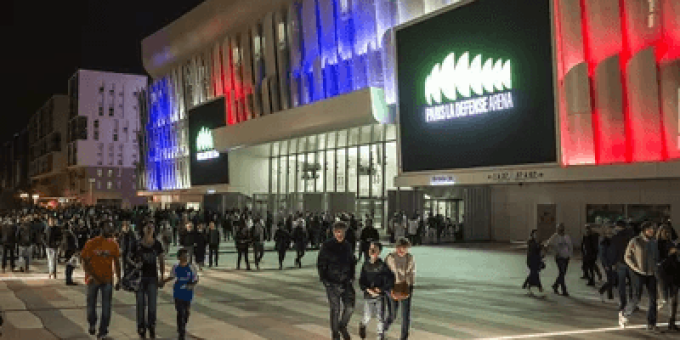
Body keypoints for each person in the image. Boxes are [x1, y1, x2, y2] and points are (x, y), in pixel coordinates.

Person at [80, 221, 122, 340]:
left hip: (107, 280)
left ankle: (103, 331)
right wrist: (91, 275)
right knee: (91, 305)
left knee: (107, 307)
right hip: (93, 280)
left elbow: (117, 262)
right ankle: (92, 323)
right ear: (102, 229)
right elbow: (84, 261)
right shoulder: (92, 243)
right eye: (108, 228)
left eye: (111, 228)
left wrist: (118, 278)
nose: (110, 230)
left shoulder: (114, 244)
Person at [317, 221, 356, 340]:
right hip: (332, 282)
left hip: (346, 281)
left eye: (342, 232)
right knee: (335, 309)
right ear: (334, 232)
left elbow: (351, 262)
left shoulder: (347, 246)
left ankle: (342, 325)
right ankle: (335, 333)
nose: (340, 234)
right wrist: (324, 279)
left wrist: (351, 276)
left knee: (349, 307)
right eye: (338, 232)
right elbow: (321, 263)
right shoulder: (327, 246)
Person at [623, 221, 660, 331]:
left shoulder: (654, 242)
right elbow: (627, 256)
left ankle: (651, 323)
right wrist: (635, 267)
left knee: (653, 299)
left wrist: (656, 266)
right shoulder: (635, 241)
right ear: (644, 230)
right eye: (650, 229)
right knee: (636, 297)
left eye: (653, 229)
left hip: (651, 274)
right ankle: (625, 313)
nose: (652, 231)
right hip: (639, 273)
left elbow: (656, 256)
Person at [131, 222, 165, 339]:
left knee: (152, 305)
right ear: (143, 229)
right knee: (140, 305)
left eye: (152, 227)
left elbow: (161, 260)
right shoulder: (137, 244)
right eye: (147, 227)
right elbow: (129, 258)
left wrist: (162, 277)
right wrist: (135, 264)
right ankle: (141, 327)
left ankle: (151, 326)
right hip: (139, 279)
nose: (150, 229)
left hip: (152, 278)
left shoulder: (157, 245)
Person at [358, 241, 395, 340]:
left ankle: (380, 336)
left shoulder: (383, 266)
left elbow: (390, 280)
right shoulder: (365, 265)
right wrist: (367, 289)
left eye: (375, 249)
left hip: (380, 296)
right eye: (371, 249)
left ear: (379, 251)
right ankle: (362, 325)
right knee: (367, 316)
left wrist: (381, 289)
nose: (372, 251)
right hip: (368, 296)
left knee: (380, 318)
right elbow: (361, 281)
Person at [163, 248, 199, 340]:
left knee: (186, 312)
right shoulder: (176, 267)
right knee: (180, 312)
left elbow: (195, 279)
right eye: (183, 256)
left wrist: (192, 285)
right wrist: (163, 281)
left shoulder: (192, 267)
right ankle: (181, 330)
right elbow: (172, 276)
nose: (185, 257)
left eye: (186, 255)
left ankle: (183, 325)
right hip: (178, 292)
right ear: (179, 257)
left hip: (188, 293)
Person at [384, 238, 416, 340]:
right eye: (399, 248)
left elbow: (412, 273)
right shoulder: (390, 258)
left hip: (405, 287)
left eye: (404, 248)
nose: (401, 250)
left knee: (405, 315)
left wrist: (410, 287)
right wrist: (389, 290)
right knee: (393, 315)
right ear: (396, 248)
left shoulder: (410, 258)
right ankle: (383, 328)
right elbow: (385, 275)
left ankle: (404, 337)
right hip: (391, 288)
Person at [656, 225, 680, 331]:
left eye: (668, 233)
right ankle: (653, 322)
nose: (666, 234)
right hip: (663, 274)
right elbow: (657, 259)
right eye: (664, 232)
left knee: (674, 300)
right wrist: (668, 254)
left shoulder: (673, 243)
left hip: (675, 274)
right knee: (663, 299)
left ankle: (672, 322)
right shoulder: (657, 244)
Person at [544, 223, 573, 296]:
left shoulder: (567, 237)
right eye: (559, 228)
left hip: (566, 257)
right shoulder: (555, 237)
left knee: (562, 273)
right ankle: (564, 290)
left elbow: (570, 246)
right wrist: (550, 251)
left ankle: (555, 285)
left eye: (562, 228)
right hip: (559, 257)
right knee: (562, 272)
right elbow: (548, 244)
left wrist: (569, 255)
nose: (561, 230)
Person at [523, 229, 545, 296]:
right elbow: (533, 250)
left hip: (537, 260)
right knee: (535, 273)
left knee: (533, 273)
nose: (536, 235)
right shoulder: (531, 242)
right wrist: (540, 246)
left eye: (537, 234)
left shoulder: (538, 242)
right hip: (531, 260)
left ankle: (527, 285)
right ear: (532, 235)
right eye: (535, 234)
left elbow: (539, 251)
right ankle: (539, 287)